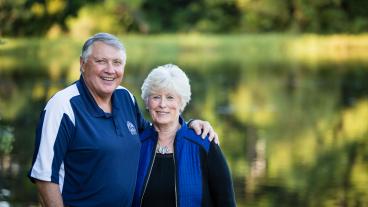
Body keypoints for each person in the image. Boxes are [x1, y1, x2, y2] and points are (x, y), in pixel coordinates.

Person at [28, 33, 218, 207]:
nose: (110, 70)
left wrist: (190, 125)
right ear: (83, 64)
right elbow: (44, 177)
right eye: (101, 61)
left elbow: (154, 131)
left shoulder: (125, 97)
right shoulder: (62, 106)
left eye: (117, 63)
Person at [132, 64, 236, 207]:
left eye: (170, 97)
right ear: (147, 101)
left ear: (181, 102)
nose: (162, 104)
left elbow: (226, 202)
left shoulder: (204, 144)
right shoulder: (136, 145)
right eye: (156, 97)